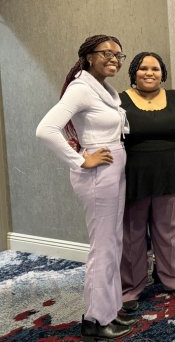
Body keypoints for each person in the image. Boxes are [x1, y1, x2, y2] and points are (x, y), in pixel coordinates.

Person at [36, 34, 133, 341]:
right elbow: (45, 130)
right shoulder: (81, 88)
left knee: (113, 241)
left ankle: (109, 306)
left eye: (119, 55)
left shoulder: (103, 88)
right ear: (89, 56)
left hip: (113, 165)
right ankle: (95, 320)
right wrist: (79, 160)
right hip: (97, 172)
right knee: (103, 246)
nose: (114, 59)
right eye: (107, 53)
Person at [118, 52, 175, 312]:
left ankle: (171, 276)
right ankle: (132, 286)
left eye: (155, 68)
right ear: (134, 72)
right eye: (143, 68)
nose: (149, 73)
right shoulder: (119, 101)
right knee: (133, 232)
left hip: (170, 170)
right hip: (134, 172)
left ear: (162, 73)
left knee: (168, 228)